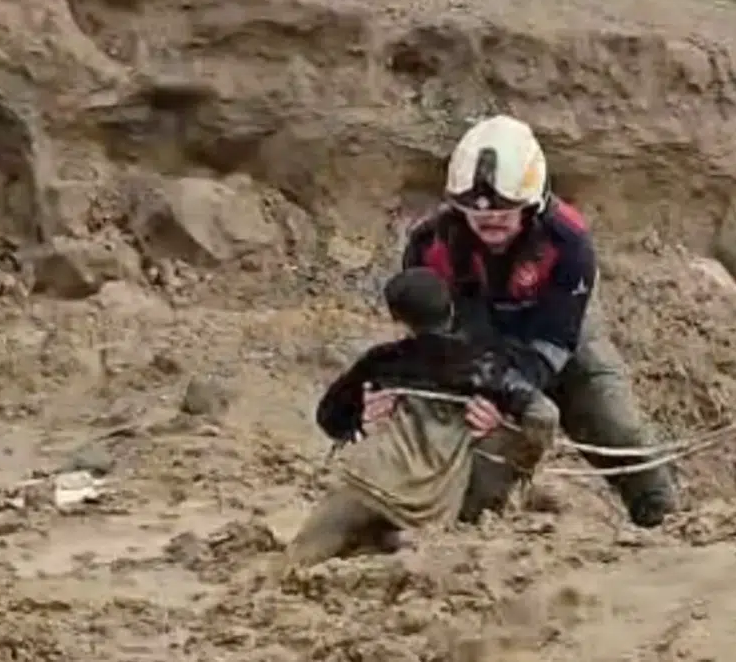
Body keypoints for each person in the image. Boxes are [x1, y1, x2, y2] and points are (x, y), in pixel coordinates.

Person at [400, 114, 678, 528]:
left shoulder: (568, 244)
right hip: (478, 349)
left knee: (618, 427)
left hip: (561, 335)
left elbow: (556, 340)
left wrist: (512, 393)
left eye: (505, 209)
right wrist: (473, 391)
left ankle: (665, 521)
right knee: (483, 456)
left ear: (533, 202)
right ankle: (466, 526)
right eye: (477, 212)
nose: (491, 218)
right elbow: (428, 338)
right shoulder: (429, 248)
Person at [281, 267, 560, 570]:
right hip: (433, 507)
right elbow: (544, 416)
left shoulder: (381, 362)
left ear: (398, 320)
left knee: (297, 560)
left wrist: (362, 422)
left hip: (368, 484)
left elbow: (329, 417)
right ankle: (395, 539)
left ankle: (369, 542)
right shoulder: (485, 366)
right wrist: (519, 451)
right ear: (451, 310)